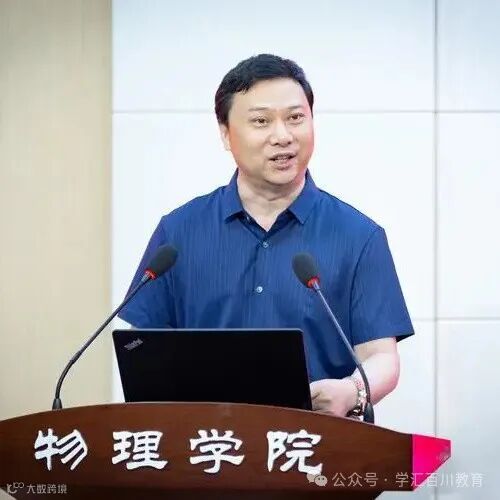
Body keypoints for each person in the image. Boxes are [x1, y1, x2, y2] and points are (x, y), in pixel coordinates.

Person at [118, 54, 414, 418]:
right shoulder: (178, 231)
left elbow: (381, 356)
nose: (283, 136)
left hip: (317, 440)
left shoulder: (359, 236)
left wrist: (352, 391)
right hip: (206, 441)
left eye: (295, 118)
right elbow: (144, 348)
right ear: (226, 133)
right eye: (261, 121)